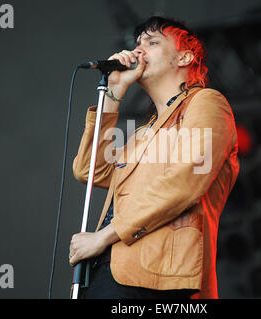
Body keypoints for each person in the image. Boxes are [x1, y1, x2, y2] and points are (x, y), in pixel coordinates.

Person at [69, 16, 240, 299]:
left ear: (185, 56)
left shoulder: (206, 102)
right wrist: (113, 93)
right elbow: (89, 171)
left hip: (159, 281)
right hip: (107, 272)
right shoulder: (142, 134)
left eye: (152, 42)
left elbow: (184, 183)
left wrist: (104, 236)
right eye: (136, 44)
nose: (138, 50)